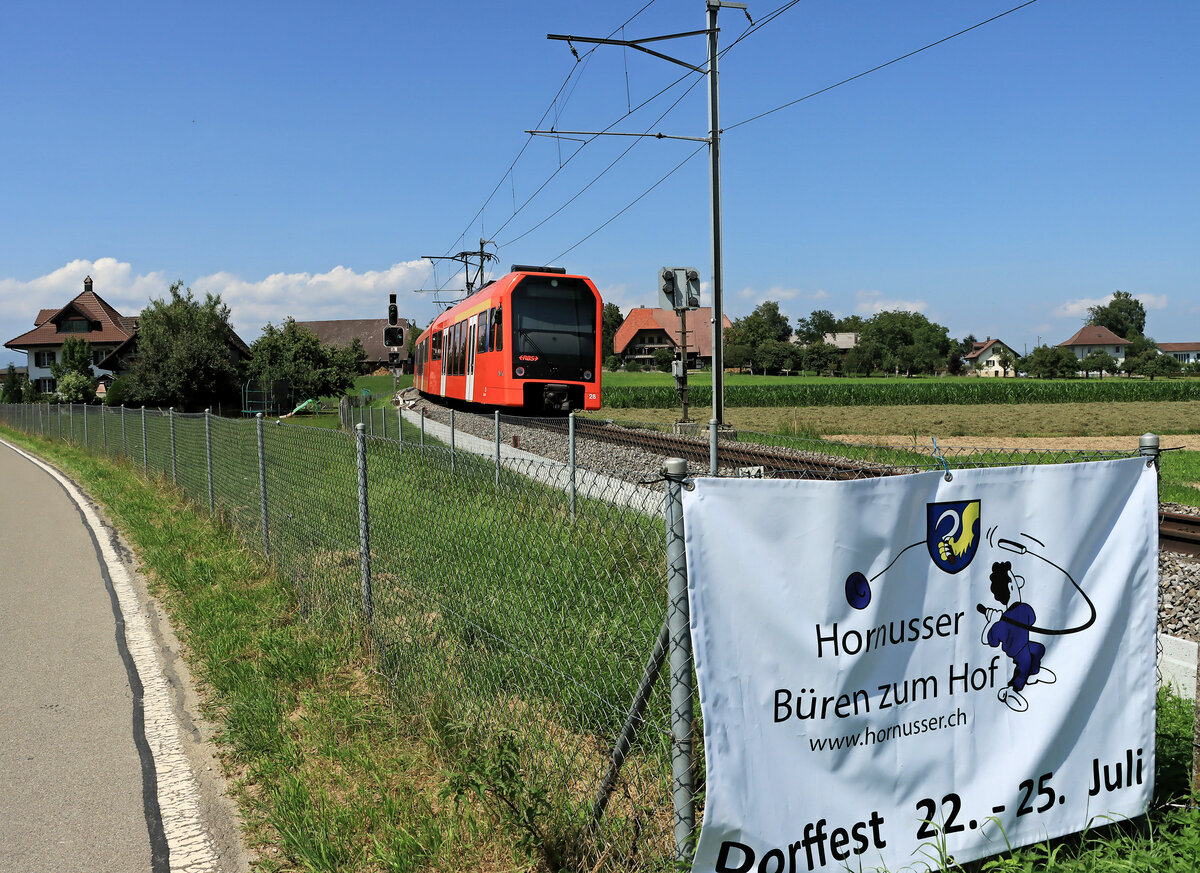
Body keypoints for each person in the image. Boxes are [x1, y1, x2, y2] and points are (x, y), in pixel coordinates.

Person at [981, 560, 1056, 712]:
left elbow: (1031, 619)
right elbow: (987, 640)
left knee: (1039, 649)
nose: (1020, 583)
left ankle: (1033, 673)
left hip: (1025, 644)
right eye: (1016, 582)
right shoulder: (1002, 622)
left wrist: (994, 622)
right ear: (1011, 587)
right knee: (1025, 661)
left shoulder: (1023, 609)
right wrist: (991, 622)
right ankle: (1013, 688)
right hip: (1016, 651)